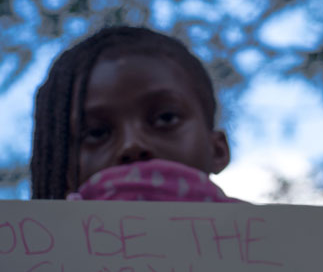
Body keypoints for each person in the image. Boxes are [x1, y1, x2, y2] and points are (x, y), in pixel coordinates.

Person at [31, 26, 236, 202]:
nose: (132, 145)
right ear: (65, 173)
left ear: (217, 150)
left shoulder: (265, 240)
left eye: (165, 118)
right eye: (97, 133)